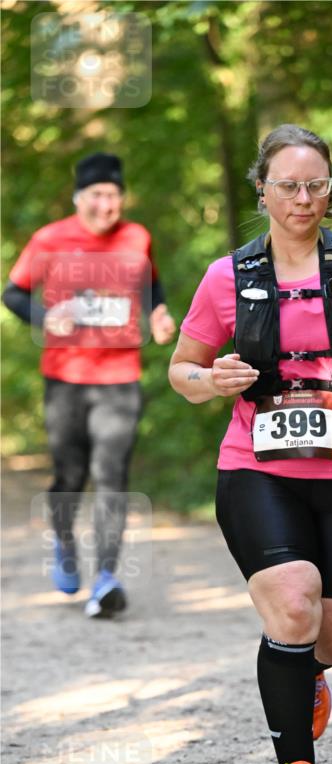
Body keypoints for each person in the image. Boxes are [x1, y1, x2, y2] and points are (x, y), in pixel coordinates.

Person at [169, 124, 332, 764]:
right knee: (294, 600)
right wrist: (210, 380)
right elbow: (181, 371)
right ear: (262, 190)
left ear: (329, 189)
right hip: (255, 465)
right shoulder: (227, 277)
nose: (303, 198)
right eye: (287, 185)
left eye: (315, 185)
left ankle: (300, 671)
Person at [2, 152, 176, 618]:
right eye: (98, 195)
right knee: (70, 478)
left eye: (114, 196)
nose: (107, 205)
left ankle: (105, 579)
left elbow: (153, 286)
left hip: (120, 377)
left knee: (112, 475)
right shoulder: (50, 239)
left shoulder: (137, 237)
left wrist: (158, 315)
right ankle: (63, 543)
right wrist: (45, 316)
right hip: (65, 379)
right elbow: (13, 292)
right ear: (80, 197)